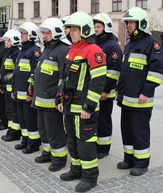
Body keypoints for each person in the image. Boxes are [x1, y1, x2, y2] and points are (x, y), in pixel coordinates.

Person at [57, 12, 106, 192]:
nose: (71, 32)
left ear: (85, 30)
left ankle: (90, 177)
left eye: (75, 29)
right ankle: (76, 170)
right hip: (69, 107)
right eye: (70, 29)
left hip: (84, 109)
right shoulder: (73, 50)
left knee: (85, 144)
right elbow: (64, 78)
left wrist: (89, 107)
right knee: (72, 141)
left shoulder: (94, 51)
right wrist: (59, 98)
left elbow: (98, 81)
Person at [116, 7, 163, 176]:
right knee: (127, 131)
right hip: (127, 99)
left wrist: (146, 92)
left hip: (140, 99)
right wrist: (119, 90)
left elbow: (158, 72)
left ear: (141, 23)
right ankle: (129, 159)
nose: (128, 25)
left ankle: (141, 162)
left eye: (131, 22)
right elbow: (125, 70)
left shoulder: (152, 43)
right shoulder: (131, 43)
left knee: (139, 132)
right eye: (127, 22)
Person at [32, 18, 70, 172]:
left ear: (56, 32)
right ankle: (47, 153)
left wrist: (59, 96)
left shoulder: (63, 50)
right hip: (41, 100)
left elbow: (64, 76)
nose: (44, 35)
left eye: (47, 32)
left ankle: (59, 159)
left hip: (51, 101)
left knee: (55, 131)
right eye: (43, 32)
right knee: (44, 130)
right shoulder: (47, 48)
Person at [92, 13, 122, 159]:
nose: (95, 29)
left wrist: (105, 91)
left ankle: (103, 149)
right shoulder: (97, 44)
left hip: (105, 93)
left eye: (98, 26)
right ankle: (97, 145)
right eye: (95, 26)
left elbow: (113, 72)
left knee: (104, 120)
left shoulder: (112, 46)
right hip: (95, 91)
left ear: (106, 28)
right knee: (96, 119)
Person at [12, 22, 41, 154]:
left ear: (31, 35)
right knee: (22, 119)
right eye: (21, 33)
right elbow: (17, 73)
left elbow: (34, 74)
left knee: (30, 120)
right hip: (18, 92)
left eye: (24, 34)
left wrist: (30, 92)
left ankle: (33, 143)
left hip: (27, 94)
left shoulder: (34, 51)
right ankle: (25, 140)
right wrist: (13, 90)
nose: (21, 36)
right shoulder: (22, 50)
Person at [0, 29, 22, 141]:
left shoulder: (16, 53)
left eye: (8, 40)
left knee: (14, 111)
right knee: (9, 110)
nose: (6, 43)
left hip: (13, 88)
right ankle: (10, 129)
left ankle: (15, 133)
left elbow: (16, 72)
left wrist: (9, 78)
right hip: (7, 88)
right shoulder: (8, 52)